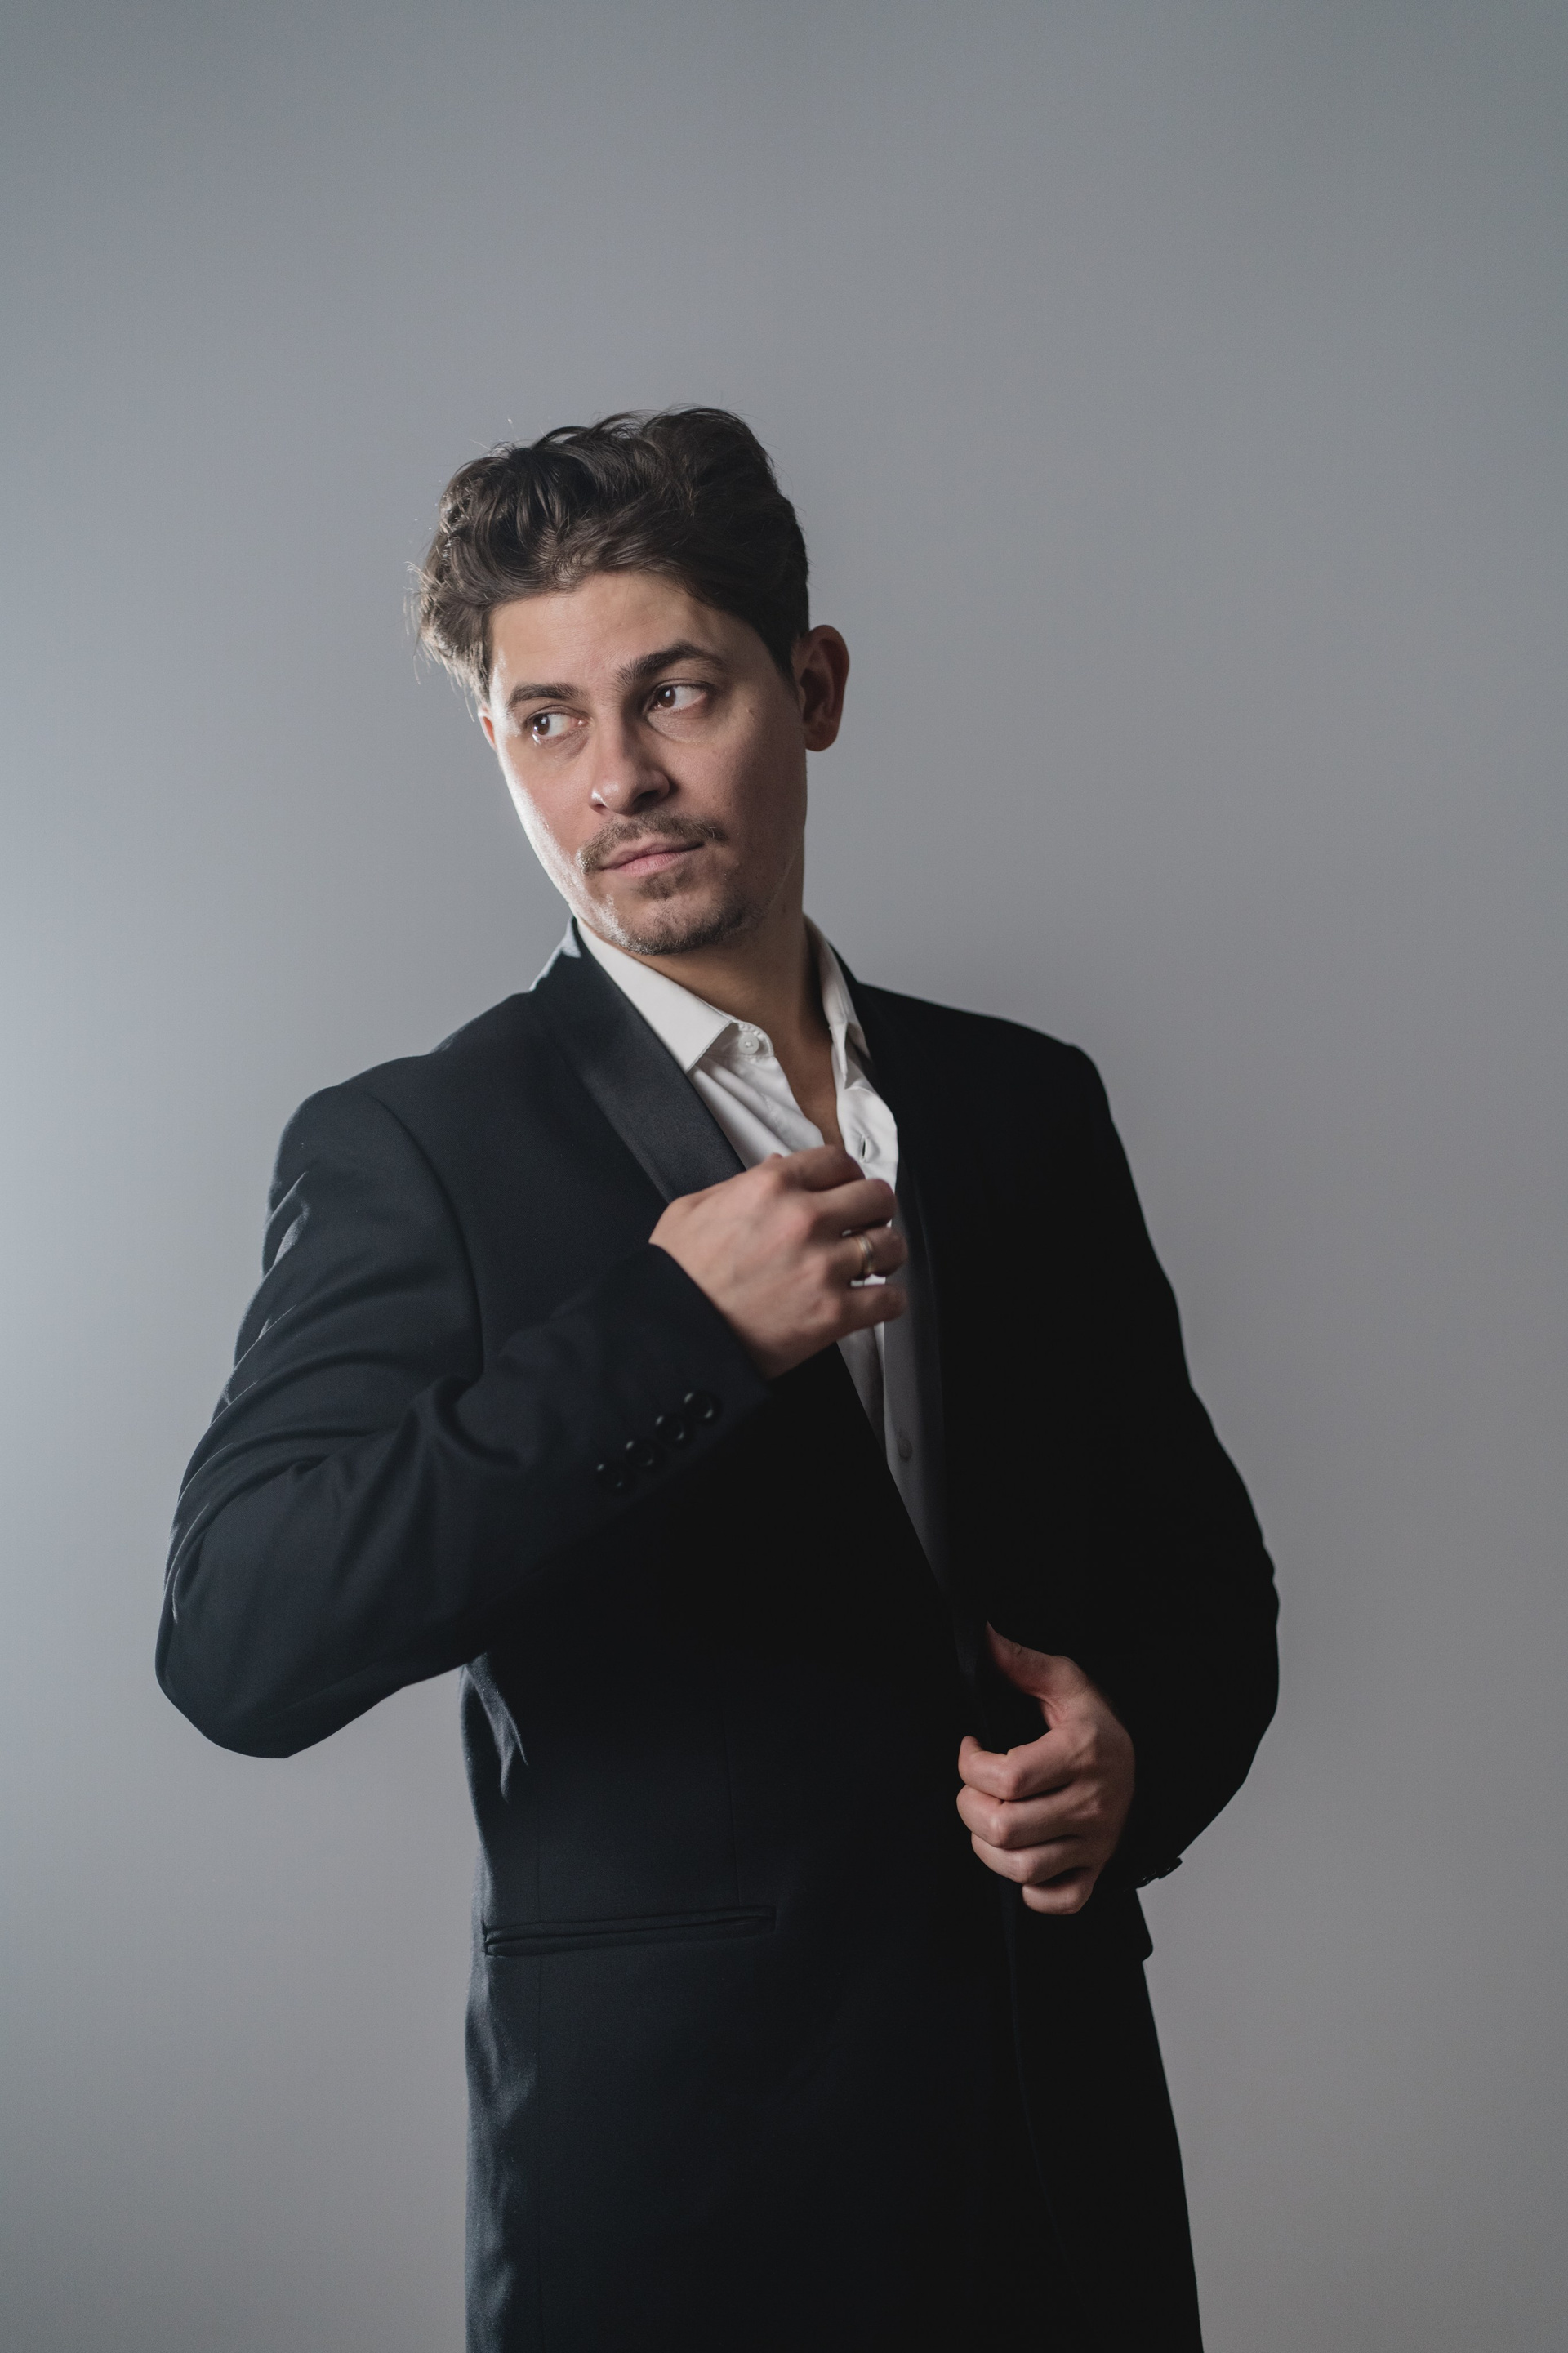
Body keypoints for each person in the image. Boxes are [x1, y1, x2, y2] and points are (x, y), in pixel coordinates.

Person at [158, 408, 1278, 2351]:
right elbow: (240, 1637)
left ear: (811, 687)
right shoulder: (416, 1146)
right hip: (684, 2208)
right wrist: (670, 1331)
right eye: (549, 721)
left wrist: (1133, 1758)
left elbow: (1206, 1583)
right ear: (499, 744)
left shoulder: (1023, 1103)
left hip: (1058, 2163)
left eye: (675, 692)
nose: (620, 778)